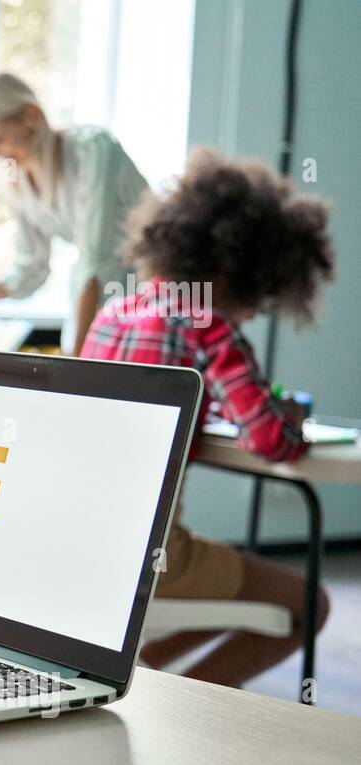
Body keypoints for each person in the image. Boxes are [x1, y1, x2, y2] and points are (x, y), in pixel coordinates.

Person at [81, 148, 334, 689]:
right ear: (232, 270)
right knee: (309, 604)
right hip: (154, 555)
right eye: (257, 295)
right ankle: (194, 711)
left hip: (84, 542)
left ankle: (149, 680)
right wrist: (288, 421)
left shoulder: (115, 312)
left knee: (238, 587)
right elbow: (269, 441)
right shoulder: (210, 326)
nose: (252, 312)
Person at [0, 70, 150, 354]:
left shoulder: (93, 151)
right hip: (102, 308)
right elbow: (30, 272)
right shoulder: (19, 184)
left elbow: (94, 263)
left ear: (30, 115)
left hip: (153, 295)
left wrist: (75, 361)